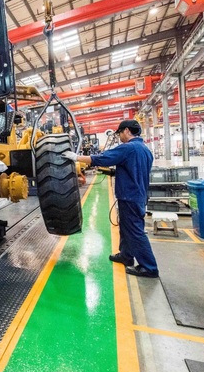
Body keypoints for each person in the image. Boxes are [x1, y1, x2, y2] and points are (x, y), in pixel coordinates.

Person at [62, 119, 159, 278]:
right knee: (127, 228)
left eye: (120, 133)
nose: (120, 136)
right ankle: (126, 255)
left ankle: (149, 267)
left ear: (127, 131)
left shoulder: (128, 148)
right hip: (138, 194)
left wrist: (76, 157)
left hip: (130, 196)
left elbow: (102, 158)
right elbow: (134, 170)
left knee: (135, 231)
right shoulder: (145, 150)